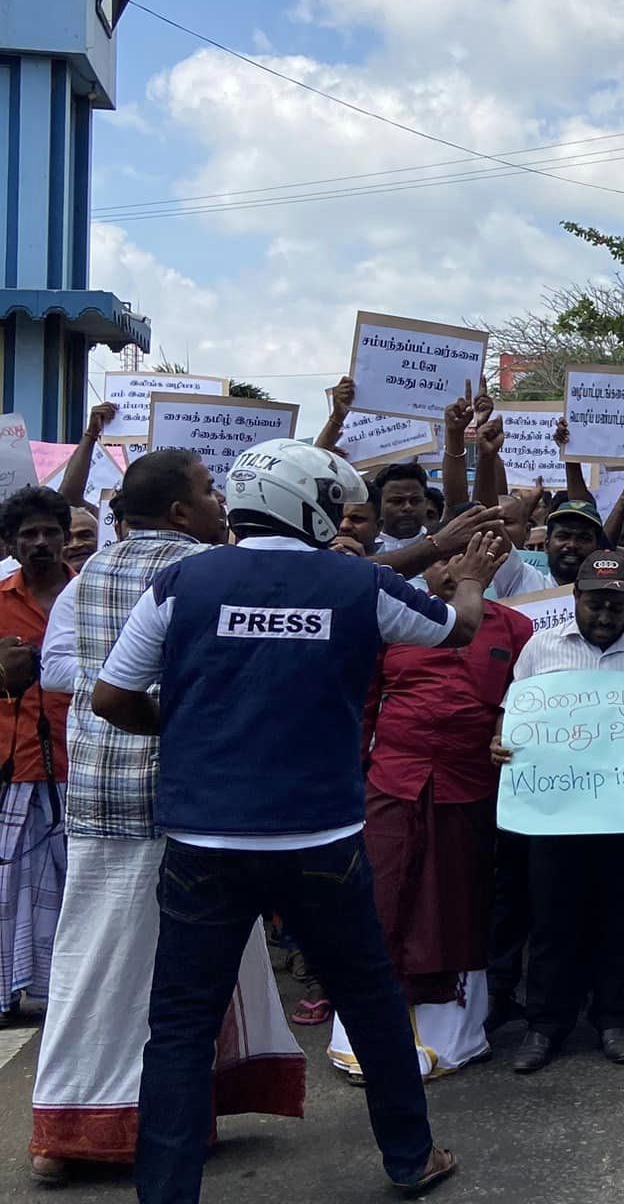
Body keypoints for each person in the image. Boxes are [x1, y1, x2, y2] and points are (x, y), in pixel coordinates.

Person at [90, 439, 503, 1201]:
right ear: (309, 504)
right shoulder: (357, 583)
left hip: (204, 839)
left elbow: (111, 698)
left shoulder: (182, 582)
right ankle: (410, 1158)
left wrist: (182, 731)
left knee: (181, 1026)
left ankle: (167, 1192)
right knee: (370, 1001)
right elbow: (459, 629)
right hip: (320, 840)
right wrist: (472, 579)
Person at [29, 451, 304, 1182]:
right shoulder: (208, 570)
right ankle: (125, 1125)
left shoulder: (89, 572)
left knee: (94, 963)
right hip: (191, 798)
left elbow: (71, 673)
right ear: (181, 512)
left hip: (98, 793)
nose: (222, 503)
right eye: (210, 491)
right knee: (179, 975)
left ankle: (69, 1126)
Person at [327, 554, 536, 1084]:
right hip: (391, 781)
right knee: (381, 900)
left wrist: (506, 738)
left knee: (457, 907)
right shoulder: (394, 618)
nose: (459, 567)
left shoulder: (515, 627)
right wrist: (351, 777)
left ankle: (450, 1040)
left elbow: (526, 704)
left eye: (474, 556)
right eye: (451, 555)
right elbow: (362, 703)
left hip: (470, 790)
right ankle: (368, 1042)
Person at [498, 549, 624, 1076]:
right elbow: (514, 714)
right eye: (595, 603)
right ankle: (545, 1024)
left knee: (621, 919)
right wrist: (501, 742)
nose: (605, 614)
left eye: (616, 605)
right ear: (575, 597)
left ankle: (614, 1018)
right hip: (555, 813)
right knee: (552, 921)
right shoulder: (541, 647)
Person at [0, 486, 76, 1020]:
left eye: (51, 532)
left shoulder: (90, 595)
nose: (41, 542)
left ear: (67, 538)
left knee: (76, 893)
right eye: (29, 534)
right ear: (11, 543)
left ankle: (69, 996)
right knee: (7, 892)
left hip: (81, 769)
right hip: (14, 769)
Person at [371, 461, 436, 555]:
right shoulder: (361, 548)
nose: (408, 507)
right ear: (378, 505)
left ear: (425, 504)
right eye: (397, 501)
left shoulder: (441, 546)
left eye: (415, 500)